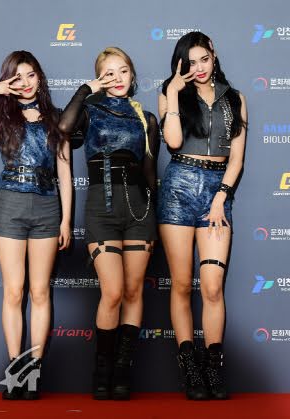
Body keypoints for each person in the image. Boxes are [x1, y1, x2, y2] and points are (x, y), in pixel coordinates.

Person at [0, 50, 72, 400]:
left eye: (30, 75)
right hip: (9, 203)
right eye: (17, 77)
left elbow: (65, 172)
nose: (25, 83)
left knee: (40, 291)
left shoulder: (57, 117)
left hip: (47, 205)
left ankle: (34, 370)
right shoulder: (1, 115)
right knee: (13, 291)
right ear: (8, 81)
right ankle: (16, 370)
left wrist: (66, 219)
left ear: (40, 77)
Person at [59, 47, 159, 400]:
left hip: (140, 211)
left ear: (133, 75)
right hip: (101, 209)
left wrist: (156, 215)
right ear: (99, 77)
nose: (117, 78)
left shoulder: (146, 118)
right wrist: (86, 89)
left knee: (133, 292)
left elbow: (150, 171)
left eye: (123, 71)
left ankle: (122, 371)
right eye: (109, 73)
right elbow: (63, 127)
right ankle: (101, 370)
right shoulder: (89, 111)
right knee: (113, 292)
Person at [158, 32, 246, 401]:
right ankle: (190, 369)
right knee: (181, 285)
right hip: (178, 187)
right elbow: (173, 142)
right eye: (191, 62)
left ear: (214, 54)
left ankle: (213, 367)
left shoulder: (235, 98)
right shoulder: (171, 94)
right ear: (181, 64)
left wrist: (220, 197)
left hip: (217, 192)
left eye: (203, 59)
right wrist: (174, 93)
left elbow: (236, 159)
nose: (199, 68)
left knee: (211, 286)